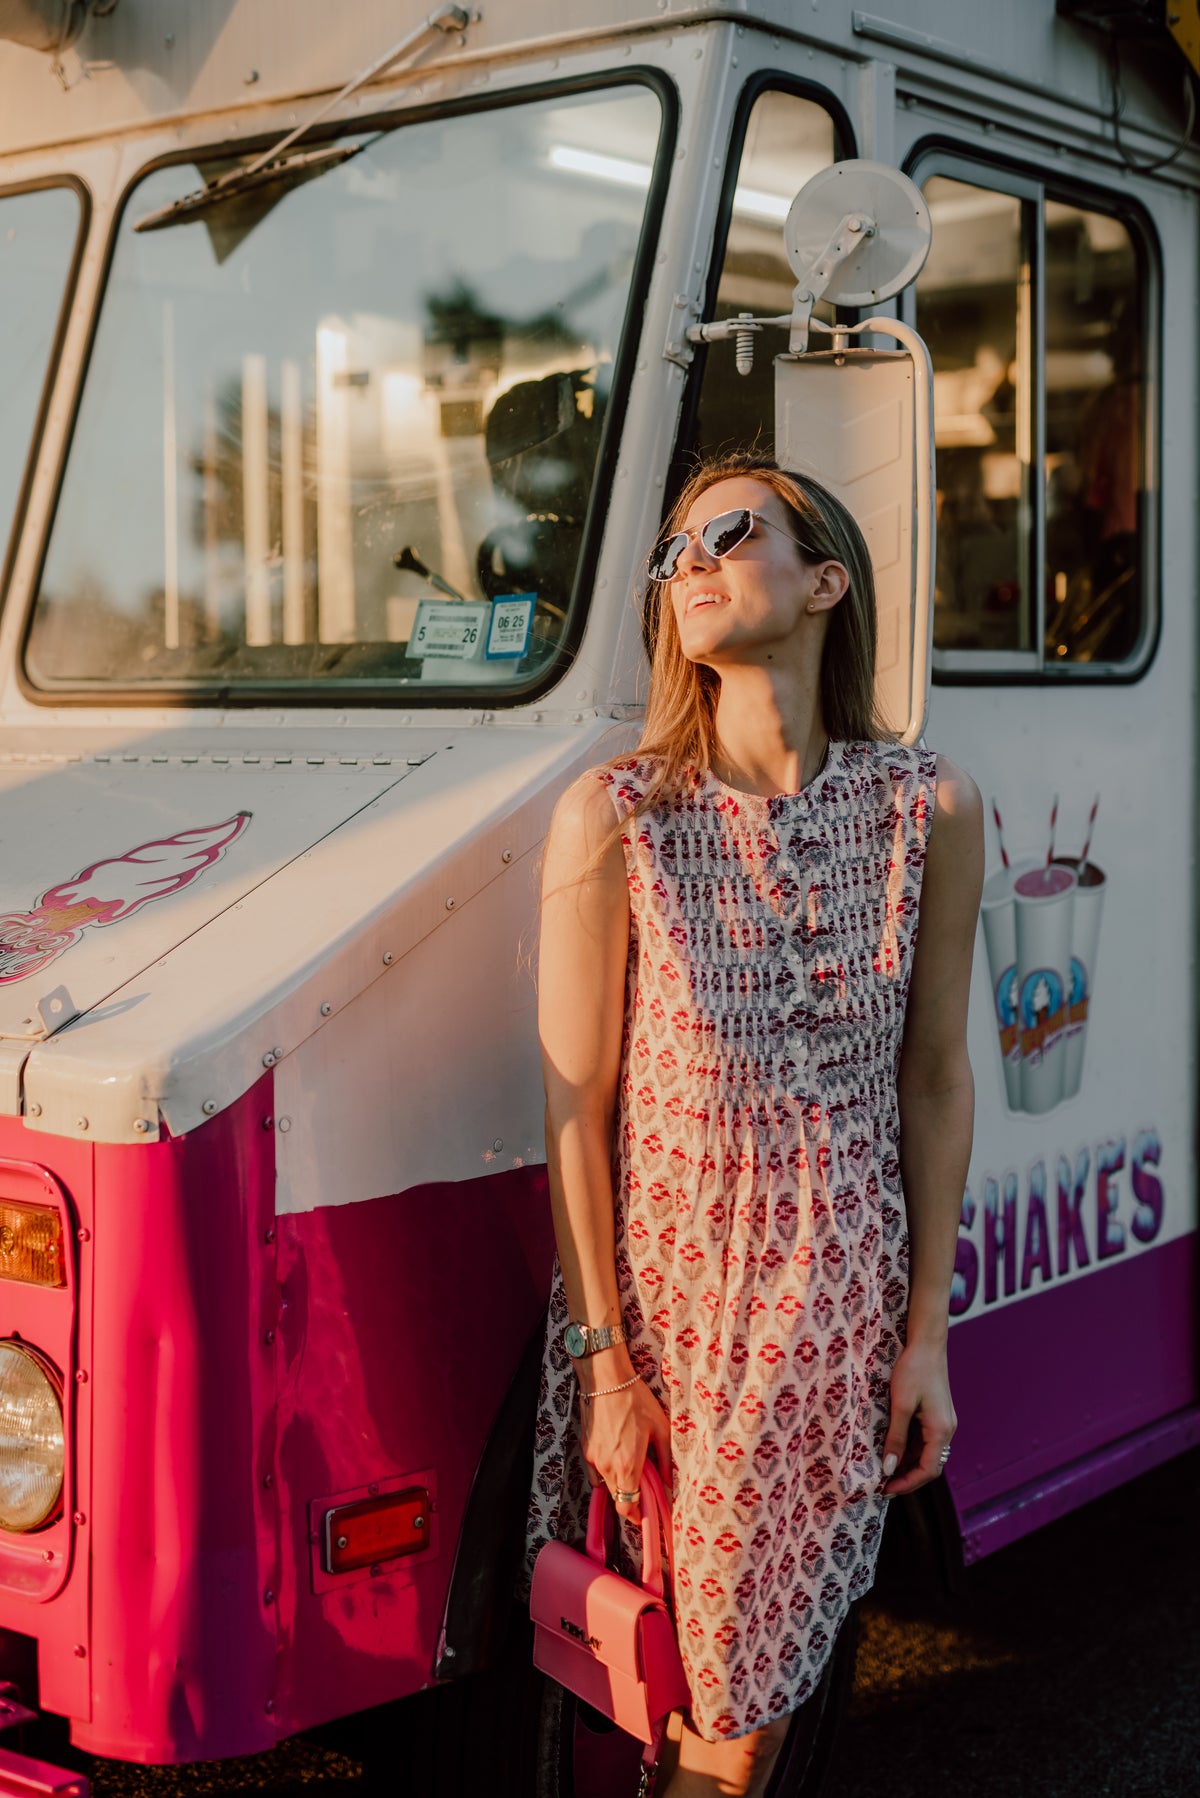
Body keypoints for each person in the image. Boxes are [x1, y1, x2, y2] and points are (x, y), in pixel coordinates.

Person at [526, 451, 983, 1797]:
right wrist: (607, 1360)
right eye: (675, 555)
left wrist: (927, 1338)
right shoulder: (615, 817)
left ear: (828, 581)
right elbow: (575, 1103)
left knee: (738, 1711)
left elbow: (939, 1080)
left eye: (729, 533)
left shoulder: (930, 806)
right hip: (685, 1331)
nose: (694, 563)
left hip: (839, 1322)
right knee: (710, 1707)